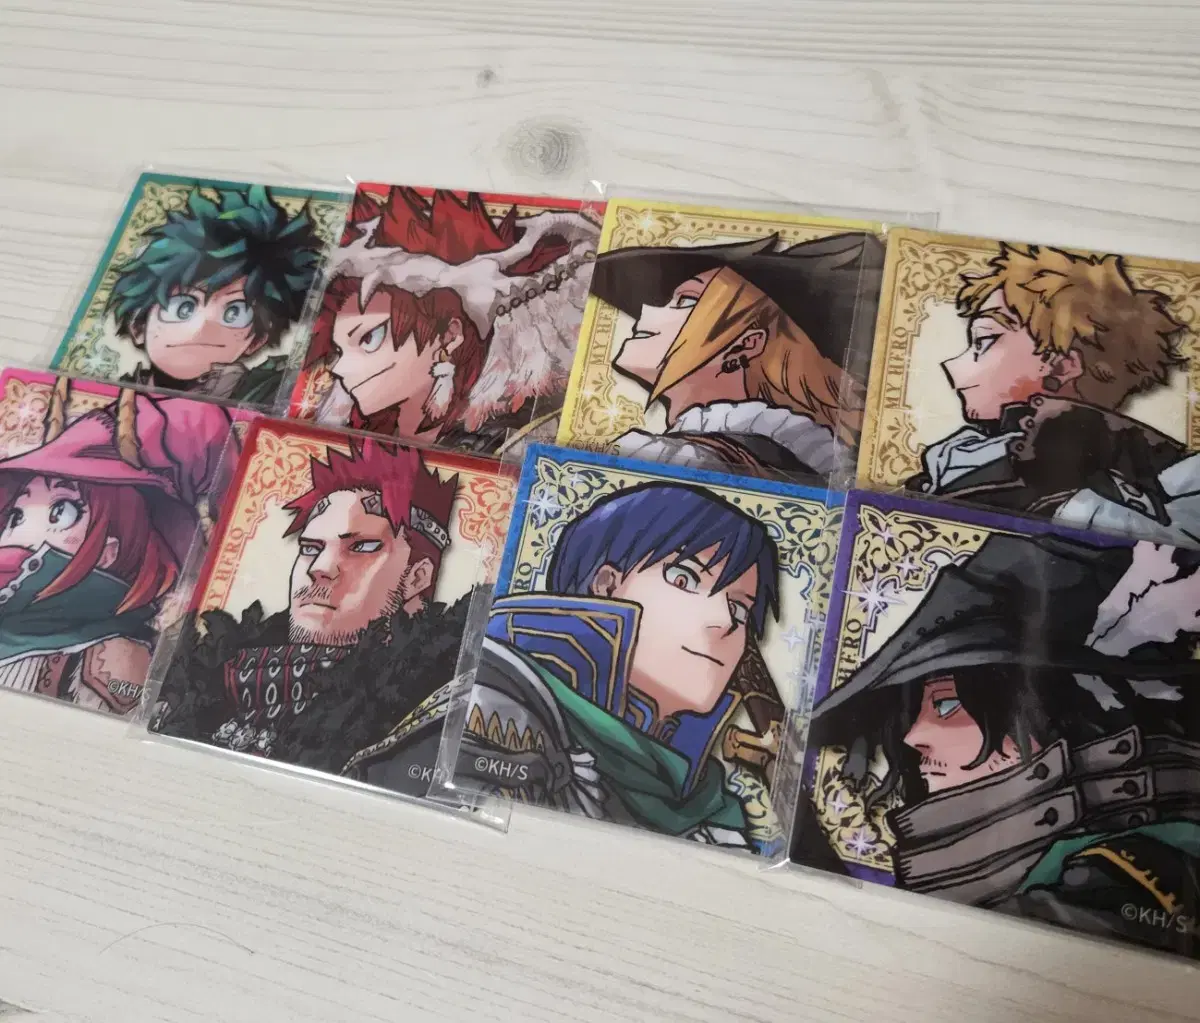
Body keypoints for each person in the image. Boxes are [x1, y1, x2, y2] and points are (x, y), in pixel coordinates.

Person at [799, 533, 1200, 957]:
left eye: (947, 704)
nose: (913, 736)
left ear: (1044, 709)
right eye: (915, 710)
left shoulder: (1106, 876)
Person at [455, 482, 788, 850]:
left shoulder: (710, 805)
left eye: (739, 609)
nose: (726, 622)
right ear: (606, 585)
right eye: (684, 578)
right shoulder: (501, 705)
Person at [152, 438, 471, 794]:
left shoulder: (439, 715)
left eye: (362, 547)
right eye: (309, 548)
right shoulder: (223, 673)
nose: (319, 568)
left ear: (417, 577)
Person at [906, 243, 1200, 543]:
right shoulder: (956, 455)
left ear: (1062, 366)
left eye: (984, 340)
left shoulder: (1113, 480)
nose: (950, 365)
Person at [303, 187, 600, 452]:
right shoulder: (353, 428)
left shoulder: (514, 438)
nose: (338, 368)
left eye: (370, 338)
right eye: (340, 349)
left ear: (449, 336)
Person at [0, 383, 234, 714]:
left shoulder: (109, 663)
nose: (21, 533)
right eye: (16, 516)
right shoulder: (12, 617)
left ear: (110, 550)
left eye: (61, 512)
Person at [590, 231, 884, 477]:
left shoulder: (692, 459)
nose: (645, 311)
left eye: (685, 301)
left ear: (747, 343)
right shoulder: (784, 454)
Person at [107, 184, 323, 404]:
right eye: (183, 308)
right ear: (138, 326)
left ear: (256, 341)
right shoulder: (114, 397)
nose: (203, 328)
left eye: (234, 313)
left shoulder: (264, 396)